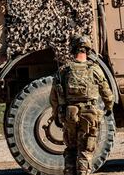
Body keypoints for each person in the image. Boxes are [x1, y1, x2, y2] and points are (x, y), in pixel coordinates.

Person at [50, 35, 114, 175]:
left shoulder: (64, 70)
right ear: (88, 50)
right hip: (89, 116)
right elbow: (107, 93)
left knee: (71, 151)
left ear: (73, 50)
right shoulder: (95, 69)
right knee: (85, 150)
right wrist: (109, 107)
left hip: (69, 115)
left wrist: (57, 115)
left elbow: (54, 97)